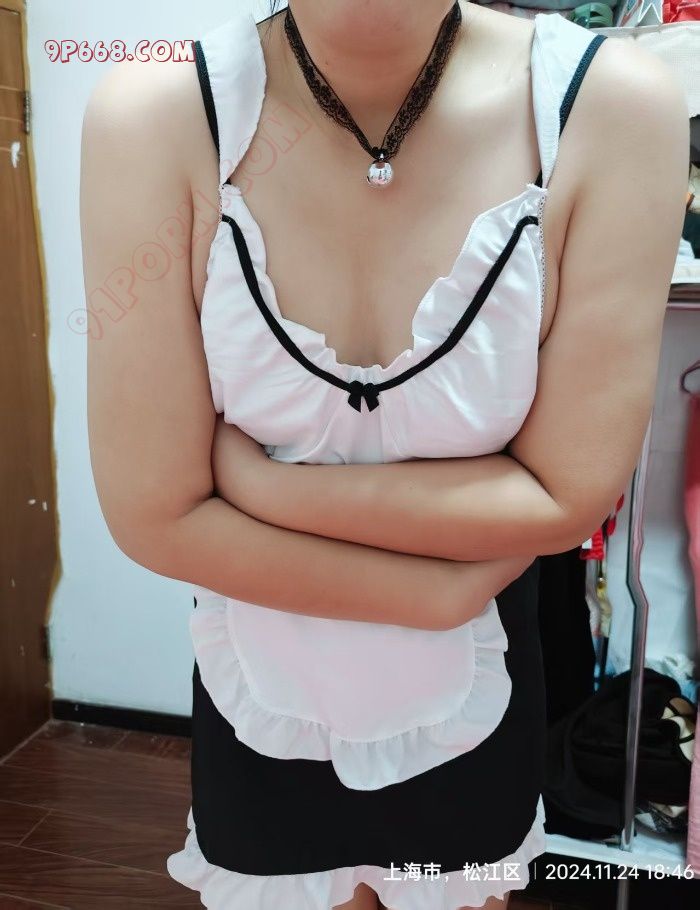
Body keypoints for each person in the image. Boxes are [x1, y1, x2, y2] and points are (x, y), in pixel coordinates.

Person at [80, 1, 689, 908]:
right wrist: (433, 591)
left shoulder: (611, 105)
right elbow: (153, 517)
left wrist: (257, 485)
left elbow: (567, 496)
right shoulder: (159, 113)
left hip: (478, 697)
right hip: (259, 703)